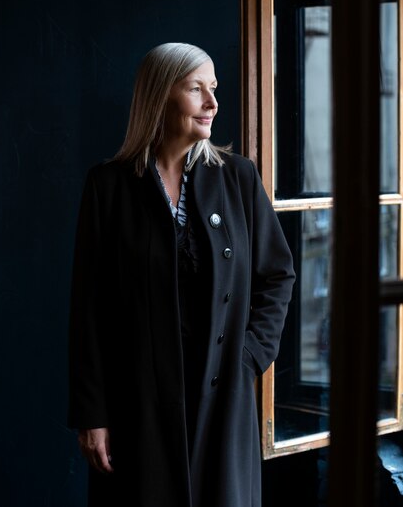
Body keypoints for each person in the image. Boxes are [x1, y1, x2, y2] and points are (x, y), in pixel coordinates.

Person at [68, 42, 296, 507]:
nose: (213, 103)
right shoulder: (107, 187)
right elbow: (88, 309)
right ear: (159, 96)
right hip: (138, 406)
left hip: (223, 400)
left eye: (214, 89)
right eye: (197, 89)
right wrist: (92, 414)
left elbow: (279, 274)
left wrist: (249, 355)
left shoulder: (239, 178)